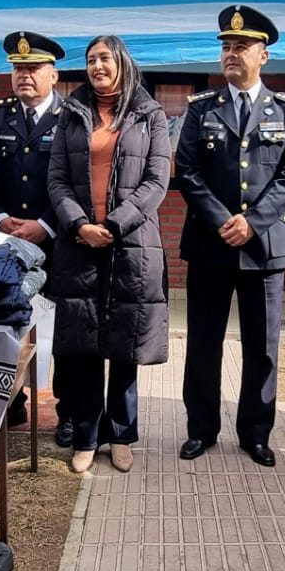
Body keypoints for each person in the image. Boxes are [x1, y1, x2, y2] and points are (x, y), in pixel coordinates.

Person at [175, 5, 285, 468]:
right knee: (204, 343)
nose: (231, 54)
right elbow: (187, 172)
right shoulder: (201, 109)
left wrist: (253, 221)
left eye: (241, 47)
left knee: (263, 347)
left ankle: (256, 432)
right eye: (226, 47)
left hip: (266, 248)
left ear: (264, 55)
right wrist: (221, 219)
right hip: (211, 245)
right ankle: (201, 429)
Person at [46, 35, 171, 474]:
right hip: (79, 243)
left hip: (131, 244)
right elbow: (57, 179)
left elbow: (157, 181)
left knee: (123, 345)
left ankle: (120, 435)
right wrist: (80, 224)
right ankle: (85, 436)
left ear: (121, 62)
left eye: (105, 58)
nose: (98, 65)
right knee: (81, 347)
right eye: (91, 59)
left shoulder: (149, 114)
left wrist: (115, 224)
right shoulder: (71, 112)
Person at [0, 31, 73, 446]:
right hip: (9, 239)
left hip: (58, 240)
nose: (24, 76)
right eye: (18, 69)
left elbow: (77, 181)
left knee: (67, 326)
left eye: (34, 68)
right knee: (12, 320)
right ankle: (11, 400)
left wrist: (47, 224)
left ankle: (69, 409)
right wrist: (0, 218)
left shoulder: (71, 117)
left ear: (53, 74)